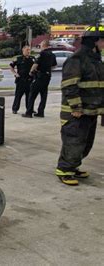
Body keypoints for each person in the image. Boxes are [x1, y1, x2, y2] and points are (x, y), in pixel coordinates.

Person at [55, 25, 104, 186]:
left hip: (90, 110)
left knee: (85, 143)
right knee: (74, 142)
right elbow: (69, 85)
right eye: (102, 40)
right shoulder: (77, 59)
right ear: (94, 41)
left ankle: (73, 166)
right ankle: (64, 170)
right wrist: (76, 107)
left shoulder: (95, 60)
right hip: (76, 112)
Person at [22, 40, 57, 118]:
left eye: (41, 44)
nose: (40, 46)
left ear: (44, 45)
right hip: (47, 77)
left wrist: (31, 72)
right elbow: (54, 66)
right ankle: (41, 112)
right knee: (43, 95)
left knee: (32, 94)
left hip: (39, 76)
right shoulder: (52, 55)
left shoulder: (42, 54)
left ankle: (29, 112)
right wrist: (47, 68)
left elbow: (35, 64)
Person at [10, 45, 35, 114]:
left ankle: (29, 109)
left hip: (29, 80)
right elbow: (11, 66)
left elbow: (36, 66)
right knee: (18, 95)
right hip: (21, 80)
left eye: (29, 50)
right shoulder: (18, 58)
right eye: (27, 50)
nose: (28, 51)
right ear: (23, 50)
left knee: (29, 96)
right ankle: (15, 109)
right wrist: (15, 73)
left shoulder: (32, 58)